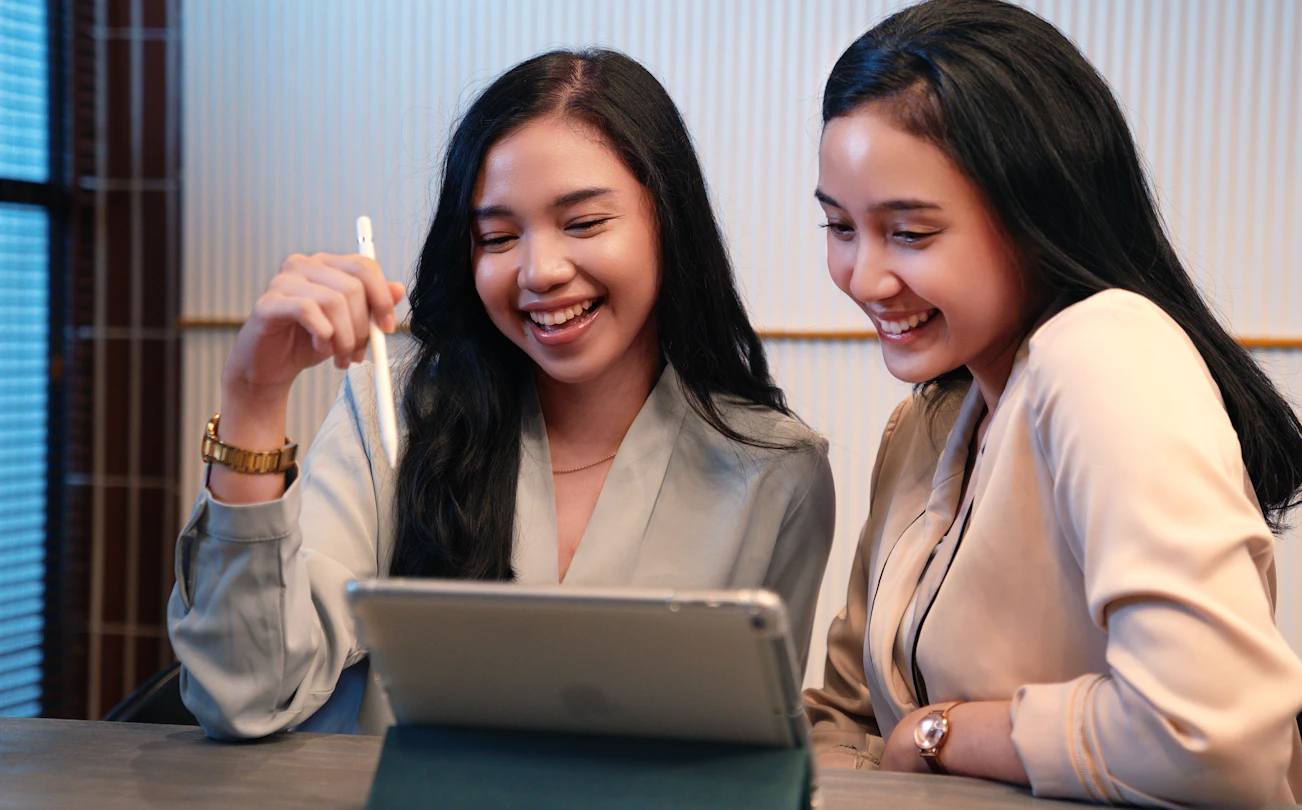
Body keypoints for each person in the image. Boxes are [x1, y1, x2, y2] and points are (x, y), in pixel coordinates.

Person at [169, 48, 835, 740]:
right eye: (497, 235)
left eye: (583, 224)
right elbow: (243, 691)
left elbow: (751, 754)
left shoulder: (774, 471)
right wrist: (252, 398)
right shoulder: (396, 407)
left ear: (669, 222)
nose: (539, 271)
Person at [802, 1, 1302, 805]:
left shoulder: (1105, 349)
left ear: (1037, 213)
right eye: (839, 227)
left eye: (909, 233)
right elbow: (847, 717)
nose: (864, 279)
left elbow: (1211, 738)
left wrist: (940, 734)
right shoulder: (928, 423)